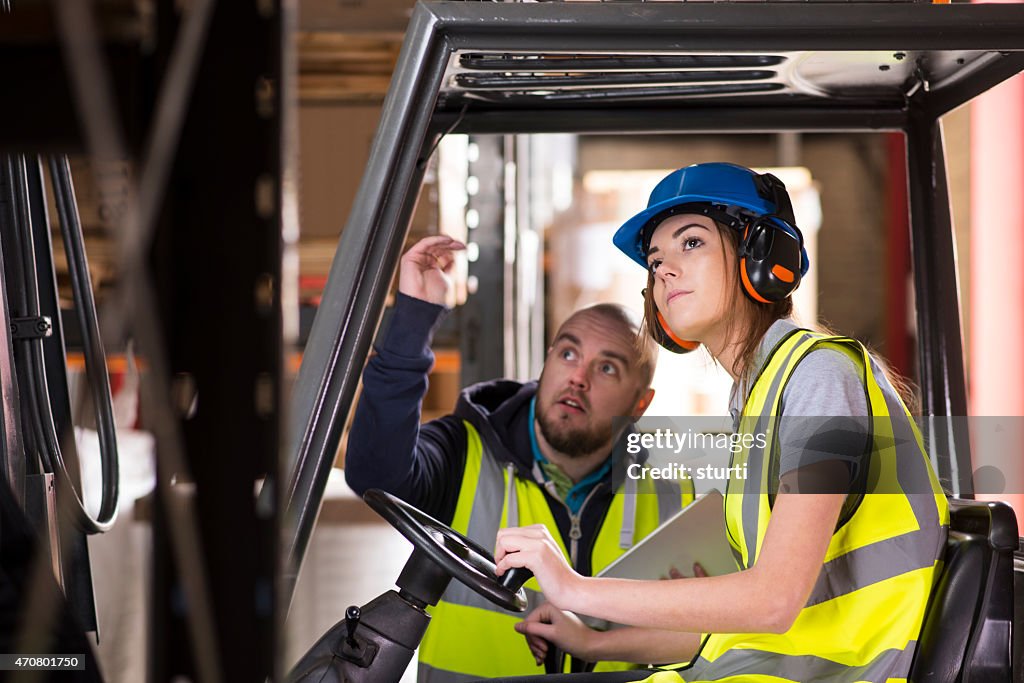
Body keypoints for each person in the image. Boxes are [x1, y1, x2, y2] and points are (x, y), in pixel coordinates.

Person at [493, 163, 949, 682]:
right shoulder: (760, 396)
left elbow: (773, 601)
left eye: (690, 243)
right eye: (656, 258)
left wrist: (574, 586)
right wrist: (596, 639)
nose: (663, 270)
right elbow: (740, 621)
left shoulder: (820, 377)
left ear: (762, 256)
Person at [344, 235, 695, 681]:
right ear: (546, 363)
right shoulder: (462, 451)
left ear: (639, 405)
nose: (578, 378)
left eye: (607, 368)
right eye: (567, 354)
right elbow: (373, 474)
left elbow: (704, 641)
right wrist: (414, 318)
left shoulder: (671, 490)